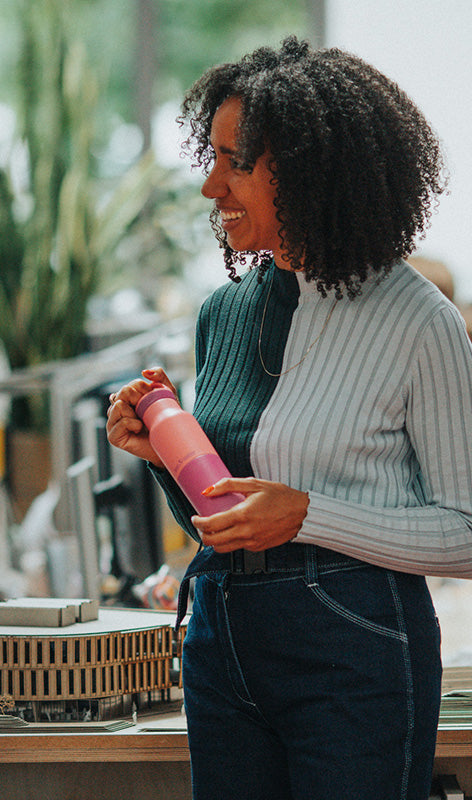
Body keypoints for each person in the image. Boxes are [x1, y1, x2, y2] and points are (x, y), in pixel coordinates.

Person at [106, 37, 472, 800]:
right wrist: (162, 454)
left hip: (354, 646)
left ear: (307, 171)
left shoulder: (418, 322)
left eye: (235, 162)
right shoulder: (225, 314)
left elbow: (466, 532)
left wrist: (305, 515)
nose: (210, 187)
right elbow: (225, 514)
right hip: (221, 639)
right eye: (210, 160)